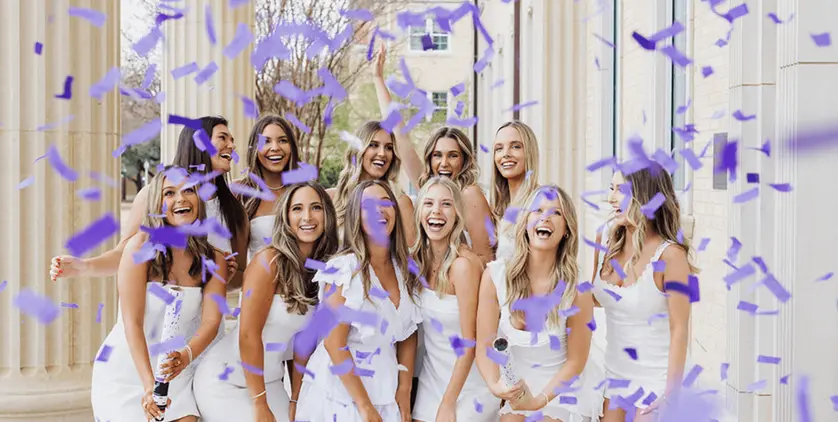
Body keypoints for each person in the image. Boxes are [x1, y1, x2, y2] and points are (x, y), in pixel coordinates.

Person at [90, 167, 228, 422]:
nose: (180, 199)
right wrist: (148, 386)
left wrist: (185, 356)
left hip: (174, 371)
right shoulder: (140, 246)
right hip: (128, 369)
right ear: (157, 203)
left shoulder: (214, 258)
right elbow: (132, 323)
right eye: (169, 193)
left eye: (188, 190)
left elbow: (211, 322)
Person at [194, 181, 339, 422]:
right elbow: (248, 335)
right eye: (297, 209)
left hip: (270, 381)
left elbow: (305, 342)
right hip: (226, 379)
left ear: (327, 215)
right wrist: (260, 404)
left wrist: (296, 398)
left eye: (316, 208)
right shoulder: (268, 262)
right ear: (286, 216)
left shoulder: (326, 268)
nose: (307, 217)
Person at [51, 116, 249, 288]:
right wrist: (85, 266)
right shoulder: (151, 197)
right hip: (152, 318)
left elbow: (239, 277)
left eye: (232, 140)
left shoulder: (234, 210)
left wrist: (225, 275)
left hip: (204, 322)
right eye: (223, 138)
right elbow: (125, 254)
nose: (232, 146)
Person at [296, 180, 422, 422]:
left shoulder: (404, 270)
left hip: (386, 391)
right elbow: (334, 343)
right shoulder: (344, 269)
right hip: (341, 393)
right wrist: (364, 407)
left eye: (386, 203)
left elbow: (408, 331)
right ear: (355, 216)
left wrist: (404, 391)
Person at [476, 185, 594, 422]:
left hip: (558, 393)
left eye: (556, 213)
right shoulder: (495, 276)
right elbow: (485, 343)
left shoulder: (577, 289)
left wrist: (537, 401)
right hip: (514, 391)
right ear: (525, 222)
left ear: (567, 230)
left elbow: (575, 362)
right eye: (537, 210)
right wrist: (495, 385)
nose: (545, 217)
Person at [371, 43, 494, 264]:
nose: (444, 163)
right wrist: (378, 79)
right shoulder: (427, 187)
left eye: (453, 155)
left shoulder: (469, 194)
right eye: (437, 155)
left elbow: (485, 257)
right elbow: (400, 135)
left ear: (465, 160)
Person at [592, 166, 698, 422]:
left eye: (621, 190)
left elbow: (680, 329)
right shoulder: (604, 237)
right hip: (612, 376)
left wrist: (670, 395)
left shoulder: (671, 256)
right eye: (611, 189)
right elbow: (595, 297)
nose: (611, 198)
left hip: (655, 381)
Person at [410, 177, 499, 422]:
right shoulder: (417, 262)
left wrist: (448, 403)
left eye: (446, 204)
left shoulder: (464, 266)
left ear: (458, 214)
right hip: (431, 379)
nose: (436, 211)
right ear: (419, 212)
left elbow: (470, 342)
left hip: (467, 386)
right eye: (428, 203)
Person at [328, 121, 417, 248]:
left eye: (389, 147)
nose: (382, 153)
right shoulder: (331, 198)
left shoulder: (401, 202)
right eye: (373, 145)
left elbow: (410, 258)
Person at [234, 114, 302, 261]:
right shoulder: (238, 191)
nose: (275, 148)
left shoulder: (304, 192)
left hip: (301, 281)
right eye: (266, 142)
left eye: (283, 140)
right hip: (255, 280)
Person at [490, 121, 541, 261]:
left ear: (530, 152)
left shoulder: (541, 201)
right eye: (499, 149)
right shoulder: (497, 206)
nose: (505, 154)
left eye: (516, 146)